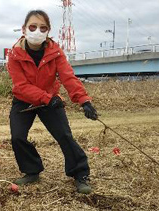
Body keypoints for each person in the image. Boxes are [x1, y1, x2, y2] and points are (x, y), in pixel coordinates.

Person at [7, 10, 98, 194]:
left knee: (64, 135)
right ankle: (32, 171)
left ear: (48, 31)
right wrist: (48, 98)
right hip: (25, 100)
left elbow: (68, 77)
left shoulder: (55, 52)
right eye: (32, 27)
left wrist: (84, 100)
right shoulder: (14, 54)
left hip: (50, 100)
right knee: (17, 137)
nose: (37, 31)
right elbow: (21, 85)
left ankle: (80, 173)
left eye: (43, 28)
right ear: (24, 29)